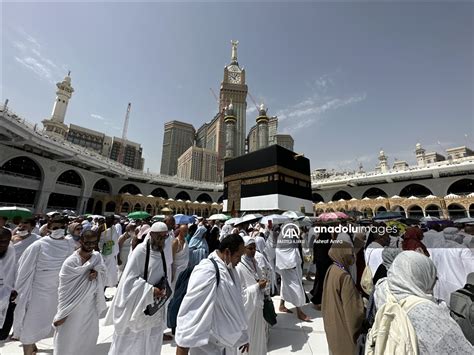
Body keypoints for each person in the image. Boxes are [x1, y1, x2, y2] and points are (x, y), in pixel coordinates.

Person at [378, 251, 473, 354]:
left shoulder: (383, 292)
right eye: (432, 277)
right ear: (422, 277)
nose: (434, 282)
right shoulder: (428, 313)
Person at [175, 233, 249, 355]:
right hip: (205, 347)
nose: (240, 261)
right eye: (238, 256)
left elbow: (235, 305)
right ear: (227, 252)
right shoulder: (207, 271)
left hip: (224, 344)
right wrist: (182, 349)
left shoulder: (229, 270)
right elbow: (191, 314)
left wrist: (242, 335)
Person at [13, 215, 75, 355]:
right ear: (48, 228)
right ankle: (28, 350)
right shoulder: (39, 245)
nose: (58, 230)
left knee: (51, 323)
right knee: (31, 324)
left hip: (57, 292)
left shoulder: (69, 244)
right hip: (38, 292)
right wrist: (19, 291)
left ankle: (33, 345)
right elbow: (24, 269)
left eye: (61, 227)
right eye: (55, 227)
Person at [105, 222, 170, 355]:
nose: (162, 240)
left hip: (155, 306)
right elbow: (128, 281)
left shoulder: (163, 252)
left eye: (165, 237)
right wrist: (150, 290)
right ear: (151, 235)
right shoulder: (141, 251)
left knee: (151, 340)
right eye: (160, 237)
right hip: (137, 306)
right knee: (131, 342)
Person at [52, 230, 106, 355]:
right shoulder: (70, 262)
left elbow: (104, 274)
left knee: (86, 340)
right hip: (71, 309)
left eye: (93, 242)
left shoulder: (97, 257)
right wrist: (63, 313)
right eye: (87, 242)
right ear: (81, 241)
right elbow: (64, 289)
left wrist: (97, 273)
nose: (90, 245)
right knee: (66, 341)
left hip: (89, 307)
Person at [322, 241, 365, 355]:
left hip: (332, 323)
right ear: (342, 254)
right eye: (350, 253)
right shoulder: (344, 277)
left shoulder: (332, 269)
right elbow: (353, 312)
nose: (353, 256)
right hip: (344, 329)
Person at [235, 236, 268, 355]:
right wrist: (256, 287)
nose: (253, 251)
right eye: (250, 248)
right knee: (247, 340)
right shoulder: (239, 267)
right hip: (247, 312)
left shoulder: (255, 263)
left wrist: (262, 285)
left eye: (254, 248)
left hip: (257, 307)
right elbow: (240, 293)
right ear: (244, 249)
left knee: (258, 339)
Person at [275, 225, 310, 321]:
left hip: (288, 266)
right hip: (290, 267)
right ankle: (299, 311)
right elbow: (284, 253)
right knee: (297, 288)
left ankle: (281, 305)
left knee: (284, 285)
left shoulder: (285, 238)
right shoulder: (285, 241)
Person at [0, 228, 16, 341]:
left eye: (5, 241)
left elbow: (13, 271)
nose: (2, 244)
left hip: (5, 296)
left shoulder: (10, 250)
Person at [310, 231, 333, 310]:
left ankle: (317, 297)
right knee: (322, 282)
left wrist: (315, 260)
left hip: (319, 263)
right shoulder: (329, 241)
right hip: (326, 264)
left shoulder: (318, 240)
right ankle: (318, 300)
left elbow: (315, 250)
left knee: (319, 281)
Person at [99, 215, 120, 298]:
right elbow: (97, 239)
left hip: (110, 255)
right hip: (102, 254)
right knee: (101, 275)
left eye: (112, 220)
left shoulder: (113, 228)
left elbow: (115, 241)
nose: (111, 221)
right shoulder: (101, 227)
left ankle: (102, 295)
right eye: (109, 219)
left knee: (107, 276)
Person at [171, 225, 189, 290]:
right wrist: (172, 273)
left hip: (184, 269)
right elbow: (171, 258)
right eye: (184, 231)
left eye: (187, 231)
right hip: (176, 271)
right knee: (174, 288)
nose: (186, 233)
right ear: (180, 231)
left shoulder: (186, 240)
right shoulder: (175, 242)